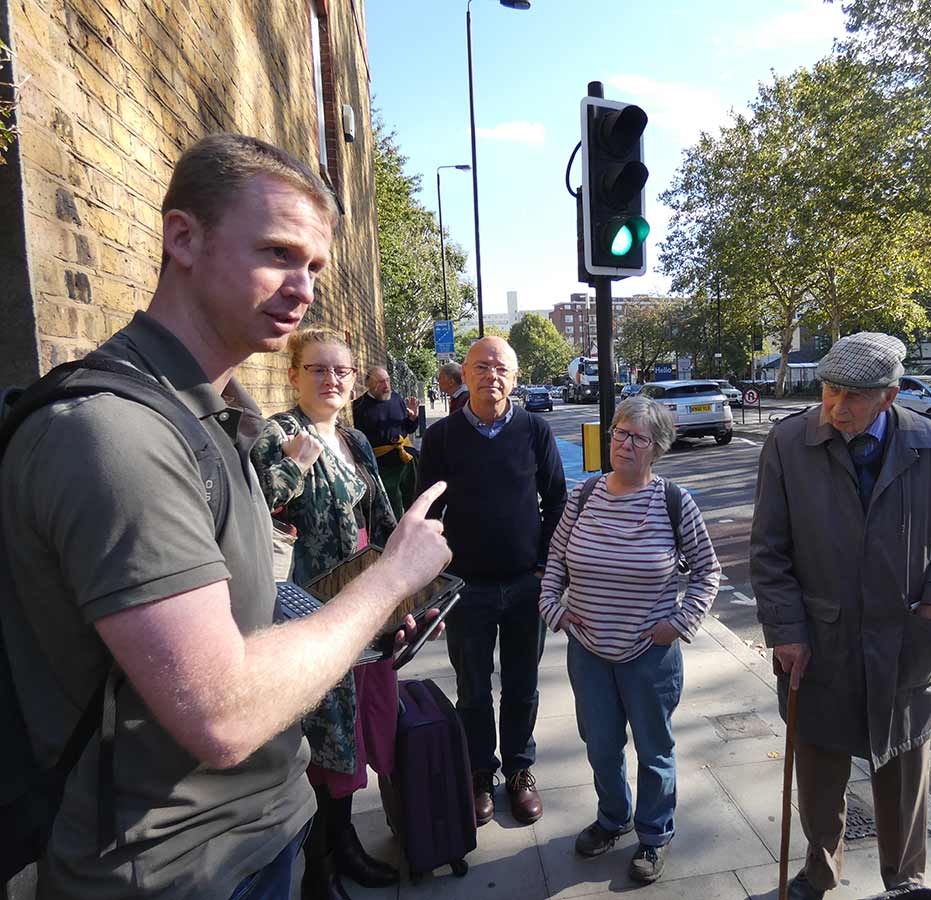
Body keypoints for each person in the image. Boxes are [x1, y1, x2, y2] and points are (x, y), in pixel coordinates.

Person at [0, 133, 450, 899]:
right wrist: (386, 582)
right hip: (180, 872)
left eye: (312, 266)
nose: (303, 287)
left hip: (258, 840)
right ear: (183, 237)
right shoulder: (117, 437)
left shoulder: (211, 417)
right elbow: (222, 713)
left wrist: (352, 611)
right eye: (278, 253)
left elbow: (243, 603)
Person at [750, 332, 931, 899]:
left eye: (854, 395)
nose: (837, 406)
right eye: (829, 390)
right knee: (819, 772)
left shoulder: (928, 441)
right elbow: (769, 551)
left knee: (902, 774)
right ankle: (819, 872)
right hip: (821, 641)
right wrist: (786, 632)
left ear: (889, 396)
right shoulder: (789, 443)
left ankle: (906, 881)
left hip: (905, 640)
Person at [250, 331, 407, 898]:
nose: (332, 379)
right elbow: (248, 519)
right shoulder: (277, 435)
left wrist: (405, 591)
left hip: (361, 608)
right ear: (294, 375)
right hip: (309, 615)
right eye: (317, 369)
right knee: (322, 744)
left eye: (341, 370)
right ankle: (319, 872)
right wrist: (292, 468)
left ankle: (346, 847)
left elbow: (384, 522)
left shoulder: (355, 440)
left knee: (355, 736)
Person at [539, 396, 720, 885]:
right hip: (589, 651)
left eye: (638, 437)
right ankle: (613, 818)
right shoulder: (584, 495)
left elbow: (707, 572)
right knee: (600, 745)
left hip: (650, 656)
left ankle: (654, 834)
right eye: (620, 432)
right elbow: (554, 561)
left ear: (656, 448)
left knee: (654, 748)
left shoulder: (674, 502)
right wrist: (554, 609)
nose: (624, 443)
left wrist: (679, 623)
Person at [417, 337, 566, 827]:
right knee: (473, 689)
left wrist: (547, 565)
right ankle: (480, 771)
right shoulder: (440, 439)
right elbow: (427, 513)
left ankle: (520, 770)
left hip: (526, 585)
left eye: (501, 367)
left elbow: (558, 503)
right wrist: (436, 578)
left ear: (515, 377)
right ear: (465, 374)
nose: (491, 375)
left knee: (523, 686)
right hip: (467, 590)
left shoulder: (535, 431)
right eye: (480, 366)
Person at [351, 364, 419, 515]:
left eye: (387, 380)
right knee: (393, 508)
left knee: (415, 502)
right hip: (383, 466)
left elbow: (409, 429)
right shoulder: (359, 407)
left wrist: (413, 419)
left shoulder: (396, 398)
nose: (386, 385)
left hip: (407, 459)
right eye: (381, 382)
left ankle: (418, 533)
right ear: (369, 384)